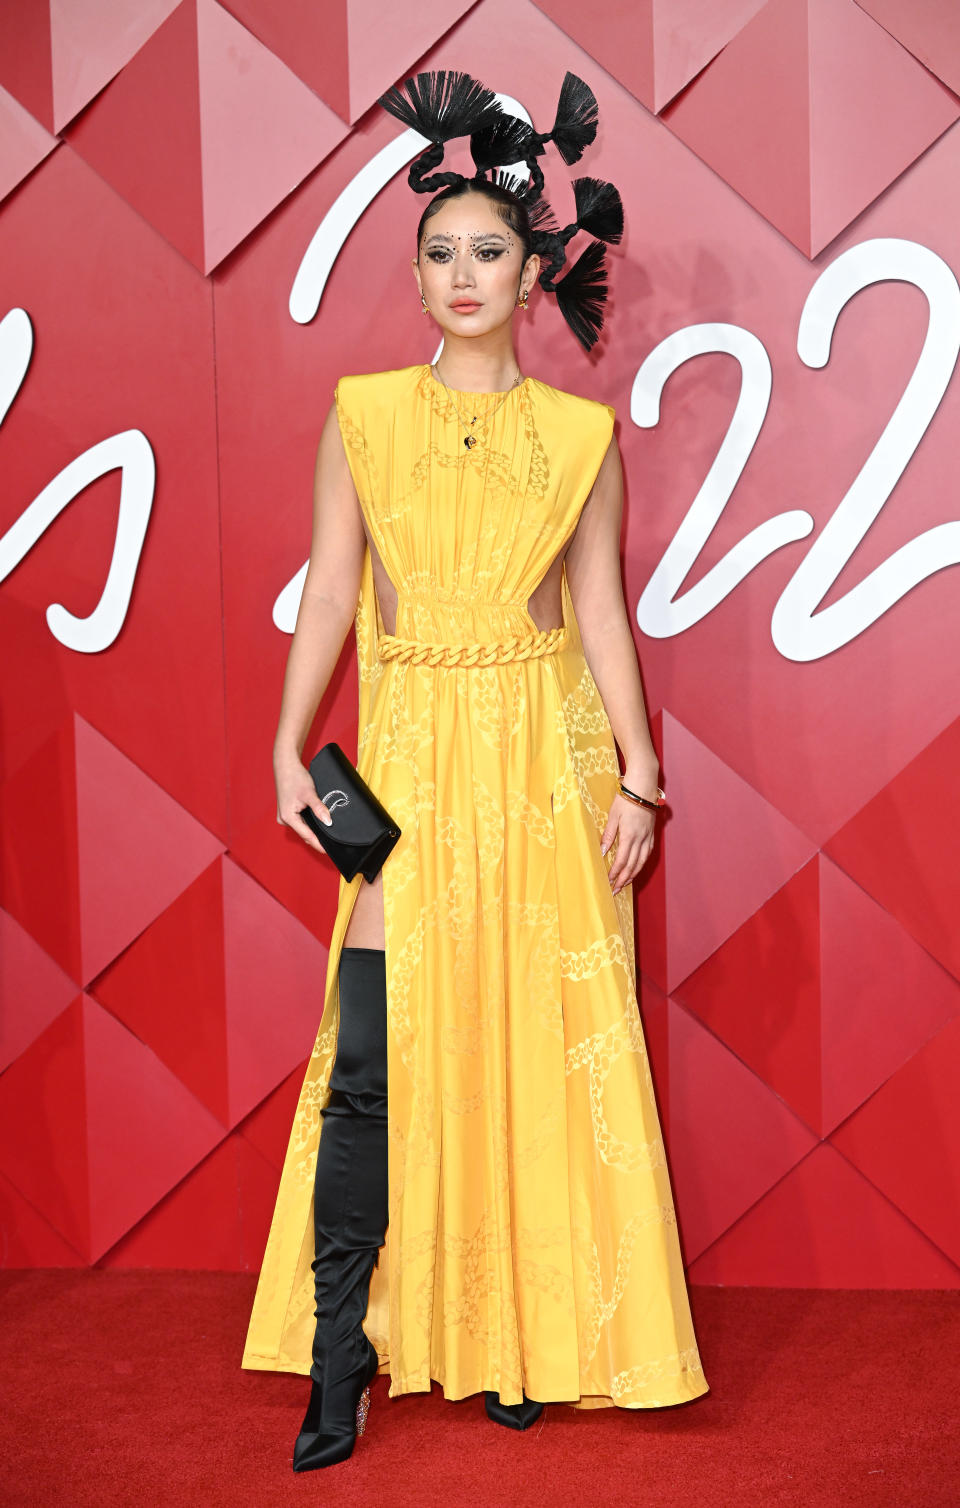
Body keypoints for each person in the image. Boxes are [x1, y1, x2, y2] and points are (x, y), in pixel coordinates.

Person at [242, 68, 710, 1472]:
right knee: (374, 1066)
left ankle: (514, 1337)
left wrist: (640, 776)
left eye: (486, 252)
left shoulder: (581, 439)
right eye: (438, 253)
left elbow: (600, 616)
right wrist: (282, 742)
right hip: (409, 765)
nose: (460, 274)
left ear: (530, 271)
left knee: (520, 1050)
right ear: (418, 270)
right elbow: (330, 596)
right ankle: (341, 1364)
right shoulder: (362, 416)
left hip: (535, 759)